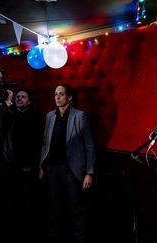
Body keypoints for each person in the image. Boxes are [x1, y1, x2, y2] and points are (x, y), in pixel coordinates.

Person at [40, 84, 96, 243]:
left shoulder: (80, 116)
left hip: (72, 170)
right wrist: (42, 166)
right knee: (54, 210)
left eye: (61, 94)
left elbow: (89, 146)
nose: (57, 97)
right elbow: (46, 143)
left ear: (69, 97)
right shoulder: (50, 116)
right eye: (56, 94)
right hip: (53, 169)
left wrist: (89, 172)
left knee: (75, 209)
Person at [0, 89, 44, 242]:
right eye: (17, 97)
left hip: (26, 166)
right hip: (8, 166)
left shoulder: (35, 116)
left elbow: (30, 137)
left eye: (23, 97)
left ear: (29, 101)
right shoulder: (9, 114)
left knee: (26, 202)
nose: (18, 99)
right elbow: (0, 132)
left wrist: (10, 108)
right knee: (9, 201)